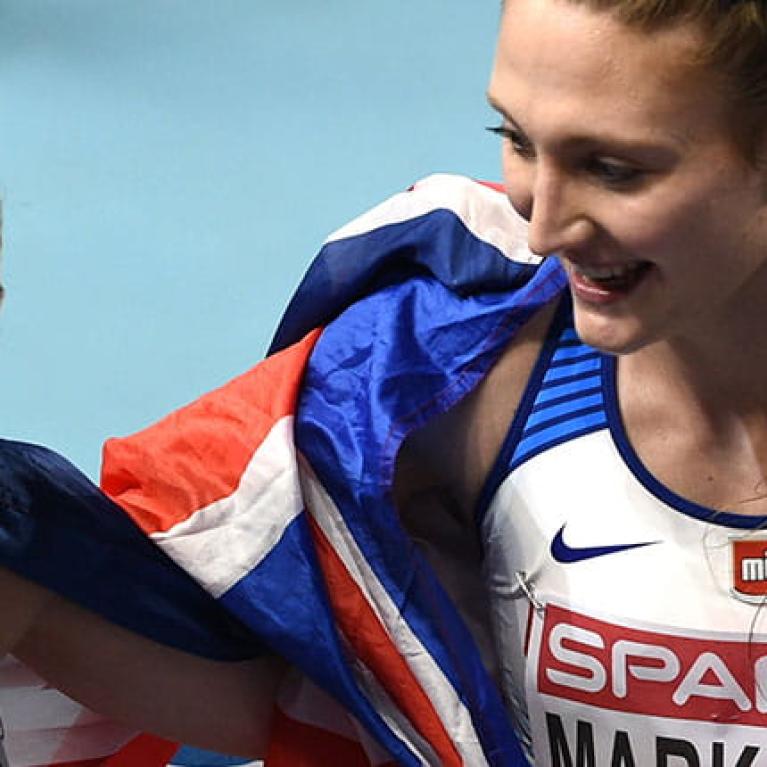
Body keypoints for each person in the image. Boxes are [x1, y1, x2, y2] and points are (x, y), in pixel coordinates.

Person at [3, 0, 767, 764]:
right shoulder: (440, 385)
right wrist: (27, 571)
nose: (544, 227)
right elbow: (301, 693)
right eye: (517, 139)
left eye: (612, 169)